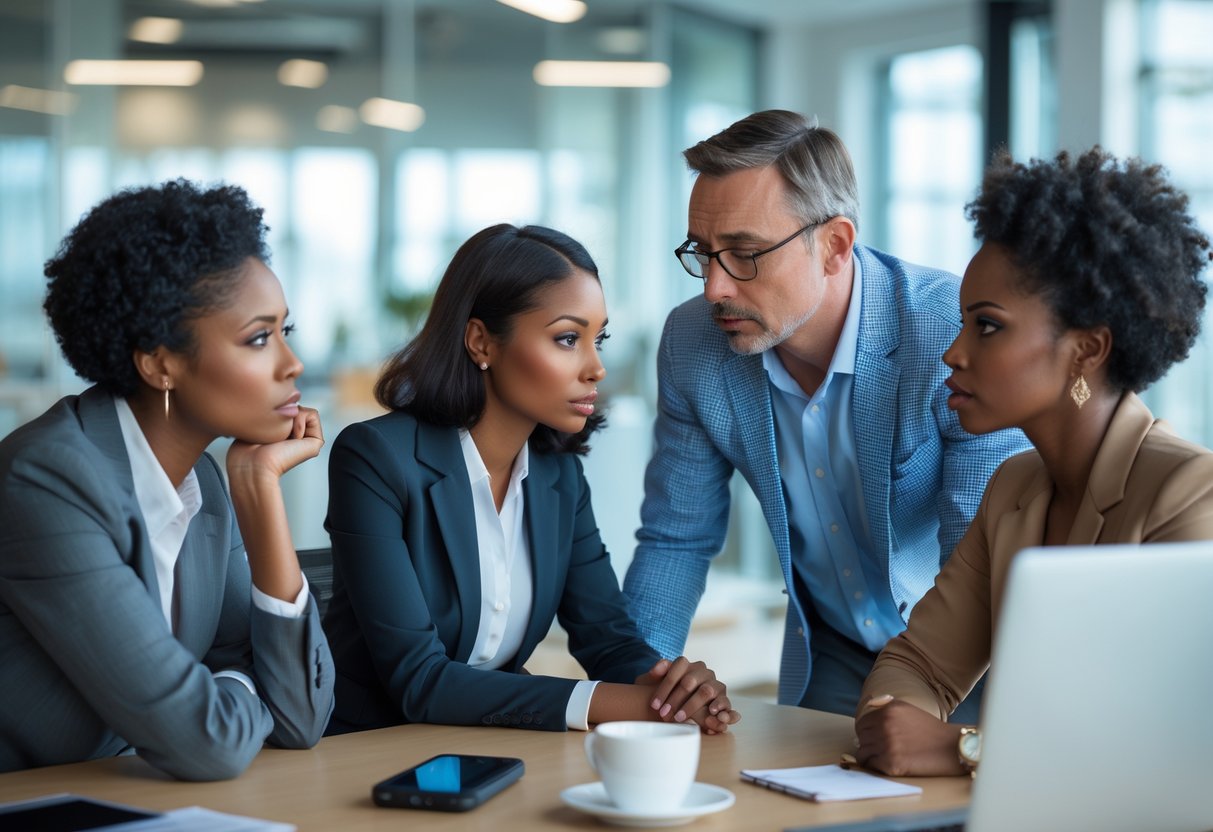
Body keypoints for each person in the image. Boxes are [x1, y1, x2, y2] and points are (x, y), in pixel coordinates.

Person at [622, 109, 1031, 719]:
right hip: (828, 651)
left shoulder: (950, 333)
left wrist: (922, 703)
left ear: (835, 245)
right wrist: (633, 691)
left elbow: (976, 559)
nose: (713, 288)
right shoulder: (692, 344)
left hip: (967, 654)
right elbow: (676, 537)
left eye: (744, 254)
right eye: (703, 253)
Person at [855, 147, 1213, 776]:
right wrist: (897, 726)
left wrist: (963, 749)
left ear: (1088, 349)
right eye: (963, 323)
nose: (953, 354)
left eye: (987, 327)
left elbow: (1184, 739)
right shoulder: (1015, 487)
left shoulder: (1188, 493)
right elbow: (918, 665)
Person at [323, 223, 739, 735]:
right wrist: (628, 706)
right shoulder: (375, 458)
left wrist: (672, 692)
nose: (596, 368)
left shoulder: (558, 475)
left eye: (598, 338)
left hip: (491, 750)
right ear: (481, 342)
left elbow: (607, 639)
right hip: (366, 752)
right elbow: (419, 681)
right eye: (568, 338)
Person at [0, 180, 334, 779]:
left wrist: (258, 488)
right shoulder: (48, 481)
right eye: (259, 338)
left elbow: (301, 717)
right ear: (159, 363)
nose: (293, 363)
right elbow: (209, 742)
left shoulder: (201, 482)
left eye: (287, 331)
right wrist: (234, 684)